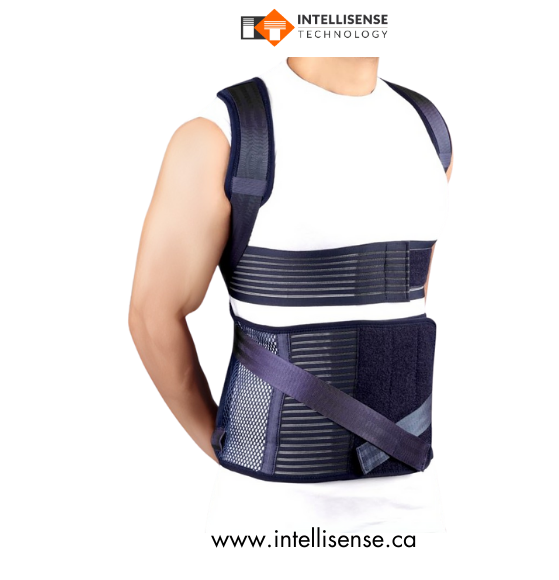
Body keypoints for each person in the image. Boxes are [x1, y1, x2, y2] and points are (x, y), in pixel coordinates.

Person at [129, 57, 454, 537]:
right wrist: (232, 447)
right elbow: (152, 315)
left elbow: (406, 305)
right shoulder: (226, 133)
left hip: (414, 503)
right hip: (271, 512)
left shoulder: (427, 128)